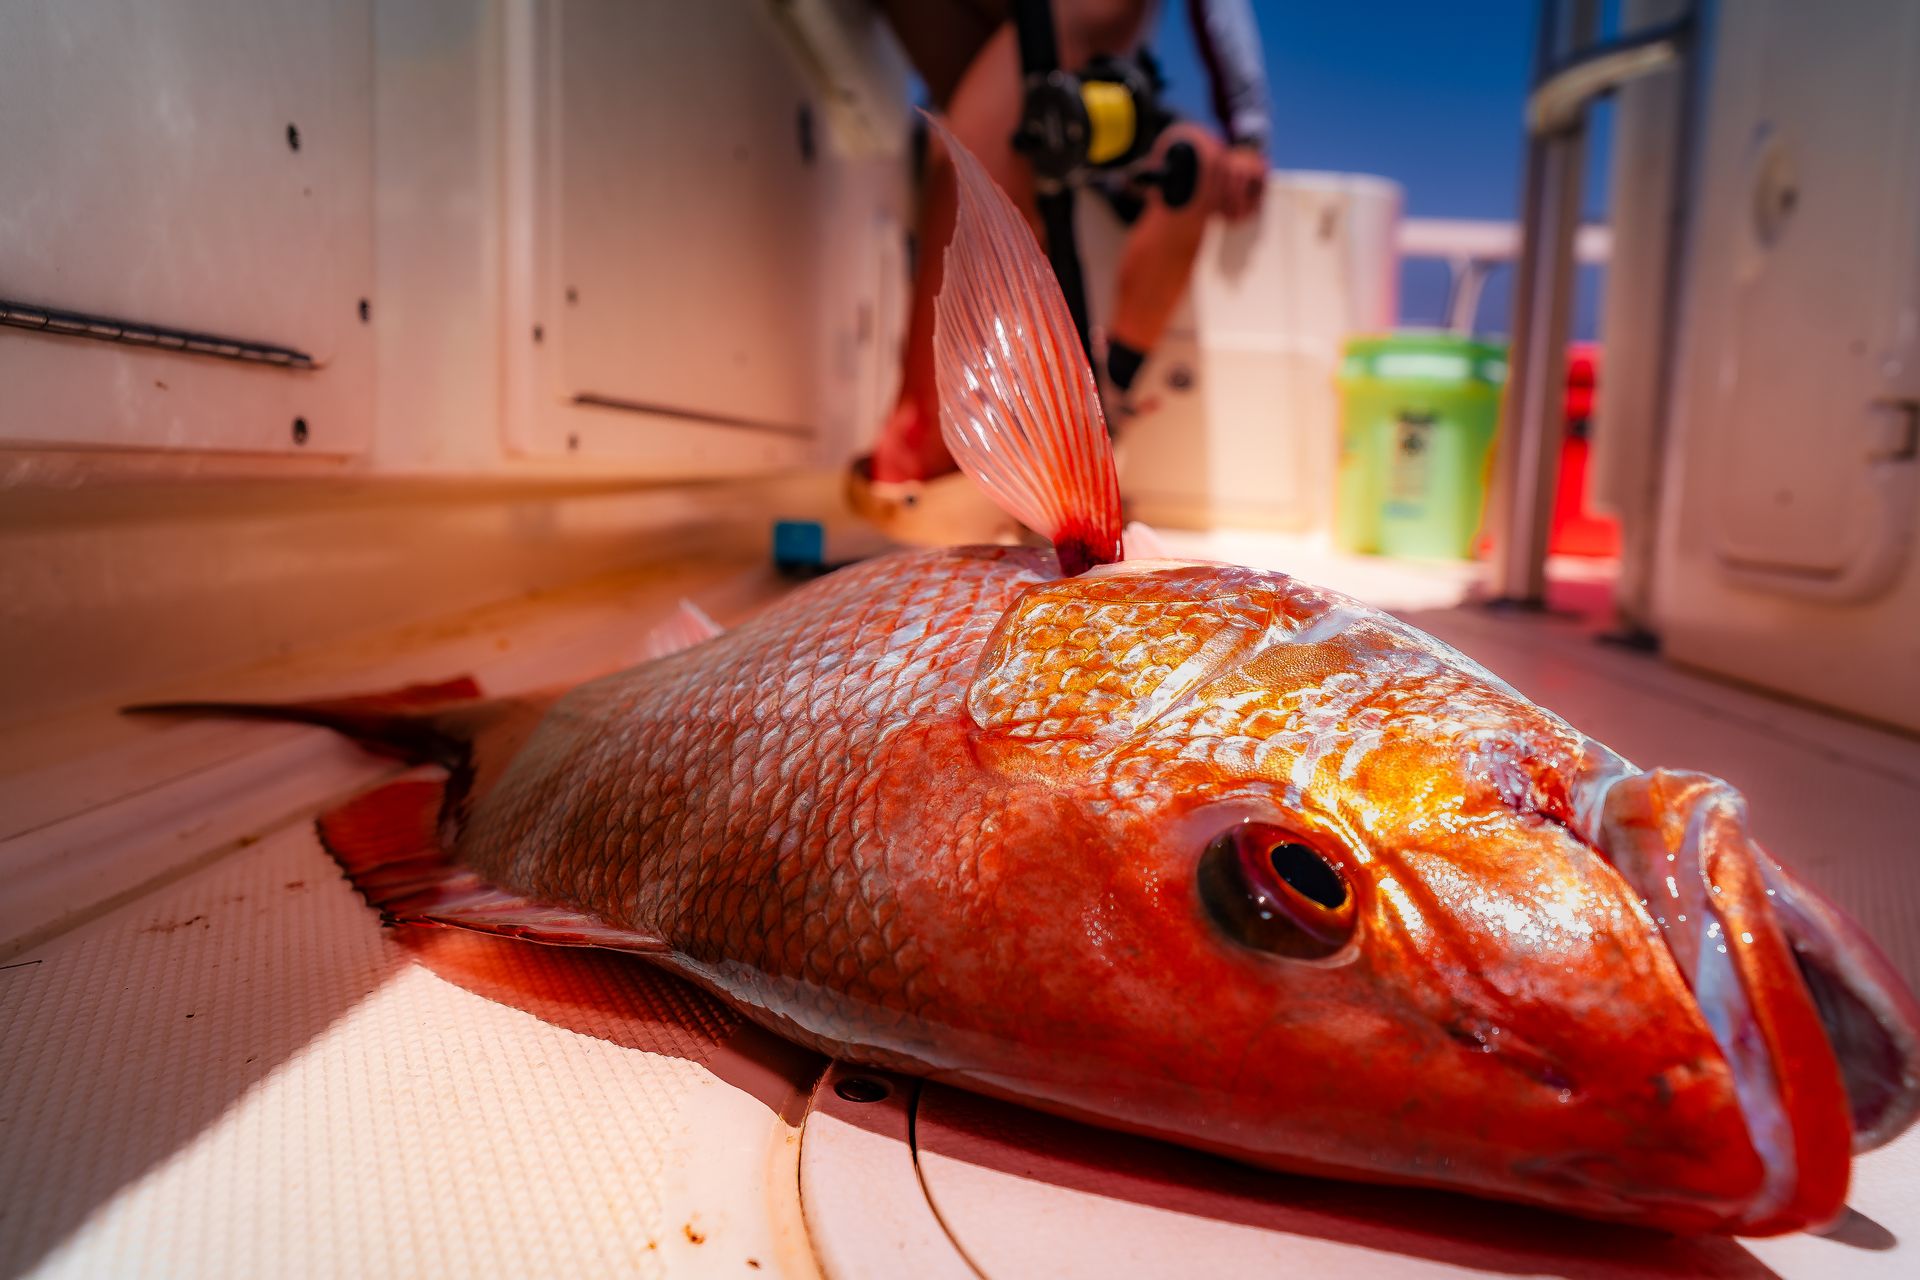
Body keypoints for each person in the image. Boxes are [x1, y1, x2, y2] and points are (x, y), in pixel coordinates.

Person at [852, 0, 1272, 541]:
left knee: (1192, 162)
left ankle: (1106, 407)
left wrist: (1248, 131)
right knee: (970, 132)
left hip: (1085, 84)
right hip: (987, 51)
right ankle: (926, 430)